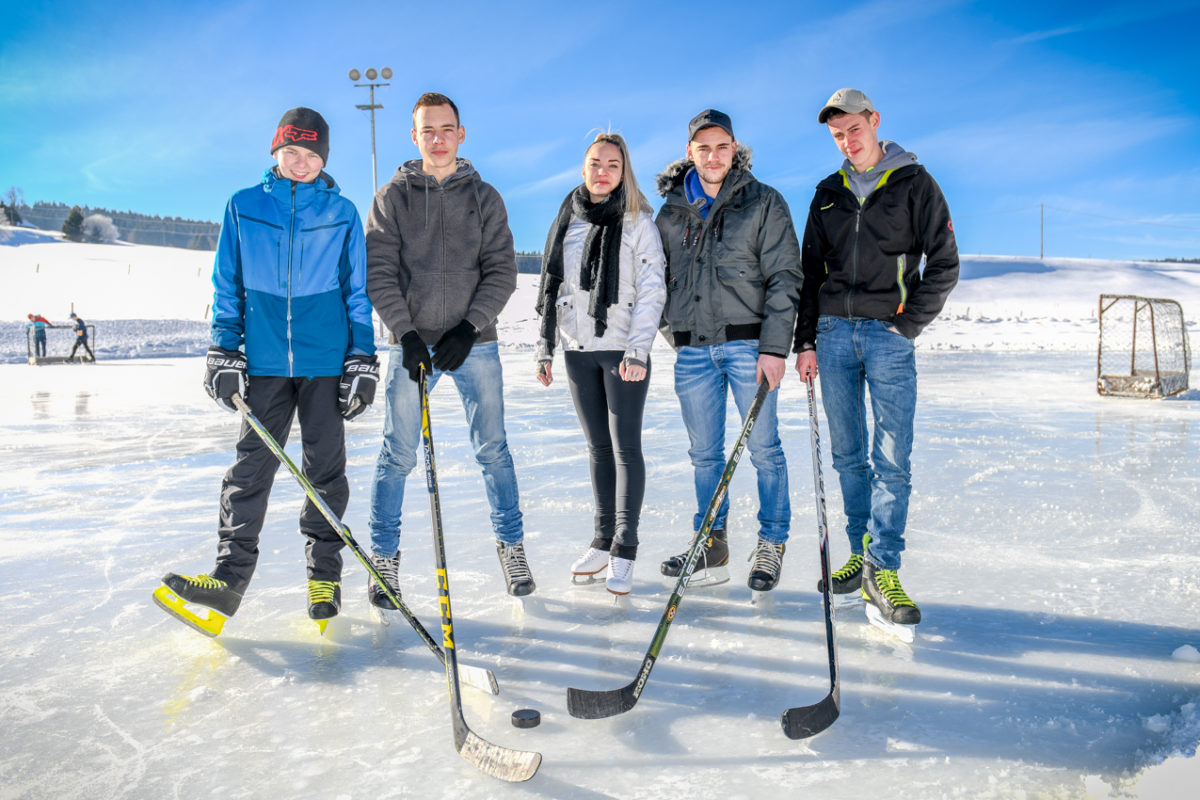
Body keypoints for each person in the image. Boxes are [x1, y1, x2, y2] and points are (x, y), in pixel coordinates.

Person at [157, 107, 378, 634]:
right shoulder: (243, 206)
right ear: (275, 152)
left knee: (325, 472)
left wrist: (362, 359)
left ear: (323, 158)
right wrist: (223, 349)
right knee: (251, 469)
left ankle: (324, 578)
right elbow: (226, 284)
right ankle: (228, 579)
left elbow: (357, 292)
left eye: (311, 154)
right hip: (263, 364)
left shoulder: (343, 211)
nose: (300, 163)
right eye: (291, 152)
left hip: (325, 362)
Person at [793, 89, 959, 631]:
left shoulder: (915, 182)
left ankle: (884, 567)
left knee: (892, 459)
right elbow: (808, 275)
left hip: (889, 337)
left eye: (853, 129)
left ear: (874, 122)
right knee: (848, 457)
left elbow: (945, 261)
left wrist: (908, 323)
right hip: (834, 335)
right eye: (837, 134)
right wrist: (807, 340)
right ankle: (861, 556)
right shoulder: (826, 193)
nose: (847, 140)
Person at [365, 92, 532, 602]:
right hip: (411, 346)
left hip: (473, 345)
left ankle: (511, 547)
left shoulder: (486, 198)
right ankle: (385, 559)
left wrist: (469, 326)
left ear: (462, 133)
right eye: (427, 130)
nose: (437, 138)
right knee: (397, 454)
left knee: (494, 451)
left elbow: (502, 271)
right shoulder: (392, 196)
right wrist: (408, 333)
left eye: (446, 129)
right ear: (414, 137)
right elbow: (379, 274)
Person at [654, 109, 802, 592]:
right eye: (703, 148)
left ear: (734, 149)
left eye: (721, 147)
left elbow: (785, 277)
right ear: (690, 153)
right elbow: (653, 281)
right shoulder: (671, 212)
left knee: (763, 448)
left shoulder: (763, 202)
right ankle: (711, 542)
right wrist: (672, 330)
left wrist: (775, 347)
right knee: (704, 454)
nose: (713, 156)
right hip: (693, 352)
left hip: (750, 348)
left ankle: (771, 543)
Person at [535, 133, 666, 596]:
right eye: (595, 163)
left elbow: (653, 289)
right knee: (598, 450)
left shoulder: (638, 223)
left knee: (625, 447)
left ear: (623, 170)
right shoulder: (567, 221)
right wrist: (545, 347)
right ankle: (602, 539)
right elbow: (554, 288)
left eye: (612, 164)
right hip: (577, 347)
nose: (602, 172)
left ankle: (625, 548)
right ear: (583, 167)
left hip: (621, 347)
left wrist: (638, 348)